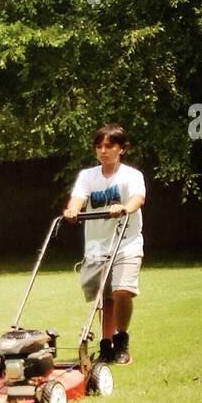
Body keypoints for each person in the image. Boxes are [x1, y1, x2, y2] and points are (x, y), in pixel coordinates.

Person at [62, 123, 146, 364]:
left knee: (122, 291)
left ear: (122, 148)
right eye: (99, 146)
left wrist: (124, 208)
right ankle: (106, 344)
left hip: (126, 242)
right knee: (104, 297)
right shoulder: (88, 176)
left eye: (109, 146)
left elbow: (138, 199)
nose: (103, 151)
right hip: (97, 246)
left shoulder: (131, 175)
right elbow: (79, 197)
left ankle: (121, 340)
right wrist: (72, 210)